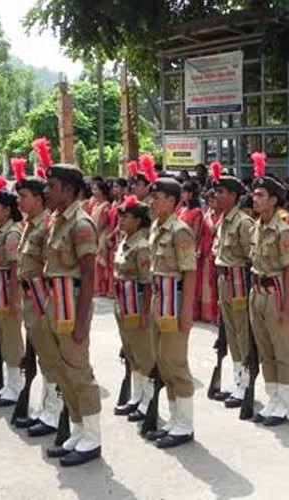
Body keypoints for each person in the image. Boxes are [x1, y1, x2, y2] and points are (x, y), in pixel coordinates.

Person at [42, 164, 102, 467]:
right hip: (57, 302)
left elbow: (90, 275)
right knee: (63, 372)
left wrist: (81, 322)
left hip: (73, 303)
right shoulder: (57, 220)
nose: (46, 191)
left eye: (51, 185)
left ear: (67, 189)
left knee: (79, 371)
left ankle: (93, 437)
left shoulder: (80, 223)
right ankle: (78, 432)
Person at [145, 177, 198, 447]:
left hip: (174, 303)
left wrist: (187, 312)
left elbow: (189, 273)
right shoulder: (157, 226)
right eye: (151, 197)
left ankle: (185, 425)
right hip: (159, 300)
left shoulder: (180, 231)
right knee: (163, 362)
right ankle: (174, 421)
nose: (151, 201)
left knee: (176, 363)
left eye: (157, 197)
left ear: (172, 201)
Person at [248, 170, 289, 426]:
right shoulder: (257, 227)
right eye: (254, 194)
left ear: (273, 201)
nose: (254, 198)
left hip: (275, 293)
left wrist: (287, 307)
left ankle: (286, 404)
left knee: (281, 350)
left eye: (260, 195)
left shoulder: (283, 232)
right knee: (265, 349)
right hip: (256, 292)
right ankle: (273, 398)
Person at [14, 169, 63, 436]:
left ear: (38, 198)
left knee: (51, 358)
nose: (19, 202)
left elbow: (50, 270)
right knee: (43, 358)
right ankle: (46, 408)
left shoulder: (46, 227)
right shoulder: (31, 225)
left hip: (43, 300)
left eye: (23, 196)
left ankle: (53, 413)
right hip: (30, 299)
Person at [112, 196, 156, 424]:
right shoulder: (125, 240)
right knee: (131, 353)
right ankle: (137, 397)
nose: (120, 219)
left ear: (138, 221)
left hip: (137, 305)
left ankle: (149, 401)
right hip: (123, 304)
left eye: (126, 216)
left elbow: (147, 282)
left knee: (144, 355)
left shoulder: (142, 246)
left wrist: (145, 315)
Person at [212, 171, 254, 407]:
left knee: (242, 333)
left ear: (233, 196)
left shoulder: (243, 222)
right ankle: (238, 379)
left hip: (238, 281)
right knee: (230, 332)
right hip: (224, 280)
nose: (216, 196)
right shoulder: (224, 219)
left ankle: (246, 382)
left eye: (221, 192)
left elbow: (252, 258)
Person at [0, 188, 25, 407]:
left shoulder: (12, 233)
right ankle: (10, 383)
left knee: (11, 339)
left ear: (7, 210)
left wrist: (13, 299)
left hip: (7, 290)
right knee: (2, 336)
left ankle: (16, 385)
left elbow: (13, 267)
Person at [177, 181, 205, 321]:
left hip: (188, 249)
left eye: (184, 192)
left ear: (191, 194)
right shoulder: (181, 209)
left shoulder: (197, 212)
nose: (182, 195)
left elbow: (196, 233)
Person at [198, 191, 220, 324]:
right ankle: (208, 313)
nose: (212, 204)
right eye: (210, 202)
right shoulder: (207, 215)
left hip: (217, 251)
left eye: (214, 201)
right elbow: (201, 233)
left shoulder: (223, 216)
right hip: (206, 251)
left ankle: (217, 314)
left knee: (216, 284)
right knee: (207, 283)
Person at [89, 178, 112, 297]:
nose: (93, 191)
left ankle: (102, 288)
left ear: (102, 191)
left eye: (95, 189)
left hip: (101, 235)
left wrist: (95, 236)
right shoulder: (95, 204)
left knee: (100, 263)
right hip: (94, 234)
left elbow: (101, 224)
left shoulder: (106, 205)